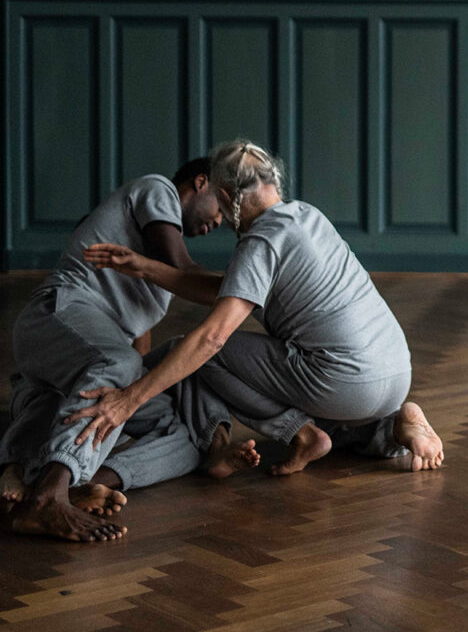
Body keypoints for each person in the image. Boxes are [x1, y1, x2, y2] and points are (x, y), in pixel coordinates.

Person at [70, 140, 445, 477]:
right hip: (395, 372)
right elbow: (234, 292)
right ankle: (394, 428)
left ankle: (298, 434)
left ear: (226, 196)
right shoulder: (307, 216)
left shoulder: (261, 241)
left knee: (202, 354)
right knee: (328, 410)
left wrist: (128, 399)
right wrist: (144, 267)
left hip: (346, 380)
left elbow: (213, 337)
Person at [0, 159, 249, 541]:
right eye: (220, 209)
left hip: (99, 356)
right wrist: (252, 283)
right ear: (200, 183)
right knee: (119, 362)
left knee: (183, 440)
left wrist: (140, 391)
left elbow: (140, 339)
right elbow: (180, 266)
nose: (220, 222)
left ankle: (84, 482)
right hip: (59, 315)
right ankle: (49, 496)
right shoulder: (156, 189)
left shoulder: (159, 275)